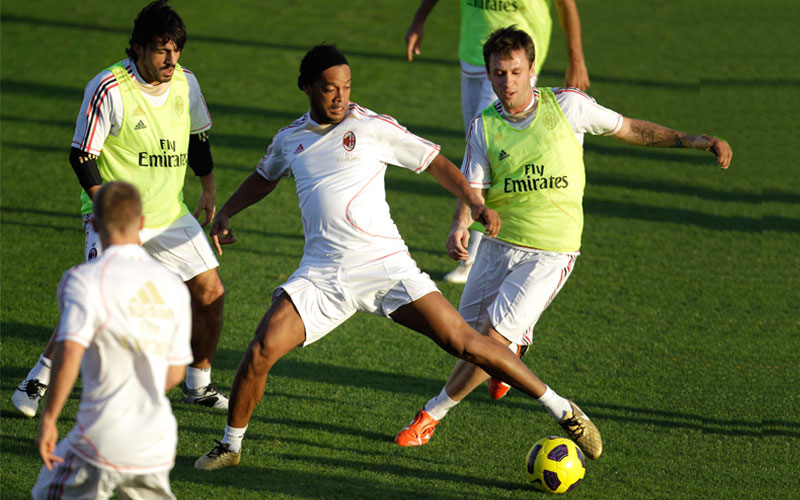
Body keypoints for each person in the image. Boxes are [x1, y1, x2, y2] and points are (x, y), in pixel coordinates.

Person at [193, 43, 602, 470]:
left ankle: (563, 409)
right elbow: (264, 177)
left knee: (464, 343)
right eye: (330, 89)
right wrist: (226, 212)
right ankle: (231, 446)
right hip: (322, 275)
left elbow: (434, 162)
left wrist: (474, 203)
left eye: (347, 88)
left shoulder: (371, 126)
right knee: (260, 349)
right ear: (307, 88)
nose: (341, 97)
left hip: (385, 266)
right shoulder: (289, 139)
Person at [394, 26, 732, 449]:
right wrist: (460, 225)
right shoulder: (485, 127)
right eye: (499, 73)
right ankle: (511, 356)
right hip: (498, 247)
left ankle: (429, 416)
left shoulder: (568, 106)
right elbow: (473, 189)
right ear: (489, 73)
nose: (508, 82)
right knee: (466, 343)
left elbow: (630, 129)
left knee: (492, 341)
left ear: (532, 69)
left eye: (516, 71)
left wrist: (697, 141)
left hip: (550, 252)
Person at [11, 0, 229, 418]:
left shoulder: (186, 84)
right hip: (114, 217)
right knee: (98, 302)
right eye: (162, 50)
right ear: (138, 49)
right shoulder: (109, 87)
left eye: (177, 49)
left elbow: (198, 140)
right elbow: (81, 156)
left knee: (209, 291)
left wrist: (208, 189)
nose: (171, 60)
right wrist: (108, 210)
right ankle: (38, 377)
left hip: (168, 213)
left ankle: (197, 384)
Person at [405, 0, 591, 284]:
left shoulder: (515, 71)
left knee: (488, 156)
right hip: (474, 53)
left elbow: (566, 4)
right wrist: (420, 18)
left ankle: (473, 257)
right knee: (478, 144)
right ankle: (481, 244)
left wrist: (576, 59)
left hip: (514, 60)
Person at [31, 181, 192, 500]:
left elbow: (70, 353)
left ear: (94, 223)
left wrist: (49, 419)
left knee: (45, 494)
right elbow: (176, 373)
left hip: (99, 439)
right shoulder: (173, 285)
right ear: (142, 222)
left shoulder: (83, 280)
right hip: (156, 442)